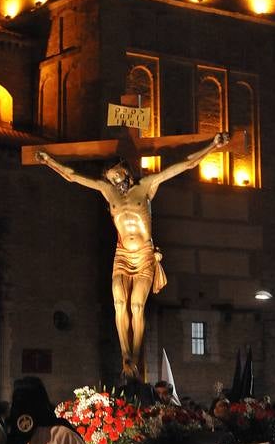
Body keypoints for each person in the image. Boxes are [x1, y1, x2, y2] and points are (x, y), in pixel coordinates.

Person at [36, 132, 230, 377]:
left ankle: (135, 358)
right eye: (111, 178)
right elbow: (73, 177)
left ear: (126, 170)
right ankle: (125, 357)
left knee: (137, 305)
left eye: (117, 175)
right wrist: (49, 161)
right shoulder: (108, 191)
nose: (116, 181)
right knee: (119, 303)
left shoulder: (147, 186)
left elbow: (185, 164)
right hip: (122, 256)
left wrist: (212, 145)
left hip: (144, 256)